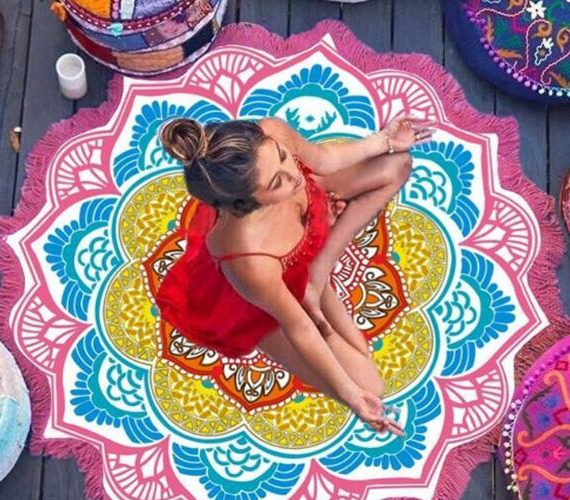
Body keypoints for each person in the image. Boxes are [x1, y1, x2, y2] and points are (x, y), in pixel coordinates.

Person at [155, 115, 436, 438]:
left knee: (397, 164)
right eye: (277, 182)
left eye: (283, 156)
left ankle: (317, 272)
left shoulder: (270, 133)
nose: (295, 175)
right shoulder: (246, 259)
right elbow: (300, 327)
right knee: (370, 385)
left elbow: (323, 159)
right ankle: (312, 290)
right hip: (258, 306)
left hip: (307, 239)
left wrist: (385, 140)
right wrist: (353, 397)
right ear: (246, 204)